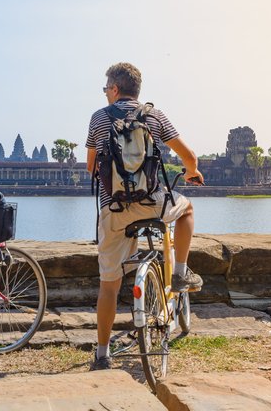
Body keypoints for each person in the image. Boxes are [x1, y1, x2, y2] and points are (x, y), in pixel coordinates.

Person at [85, 62, 204, 371]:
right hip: (152, 203)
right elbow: (189, 157)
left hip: (112, 208)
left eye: (105, 88)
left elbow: (91, 168)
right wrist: (192, 172)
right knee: (186, 209)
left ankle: (101, 354)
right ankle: (179, 272)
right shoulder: (154, 115)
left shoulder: (99, 118)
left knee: (108, 285)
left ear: (113, 89)